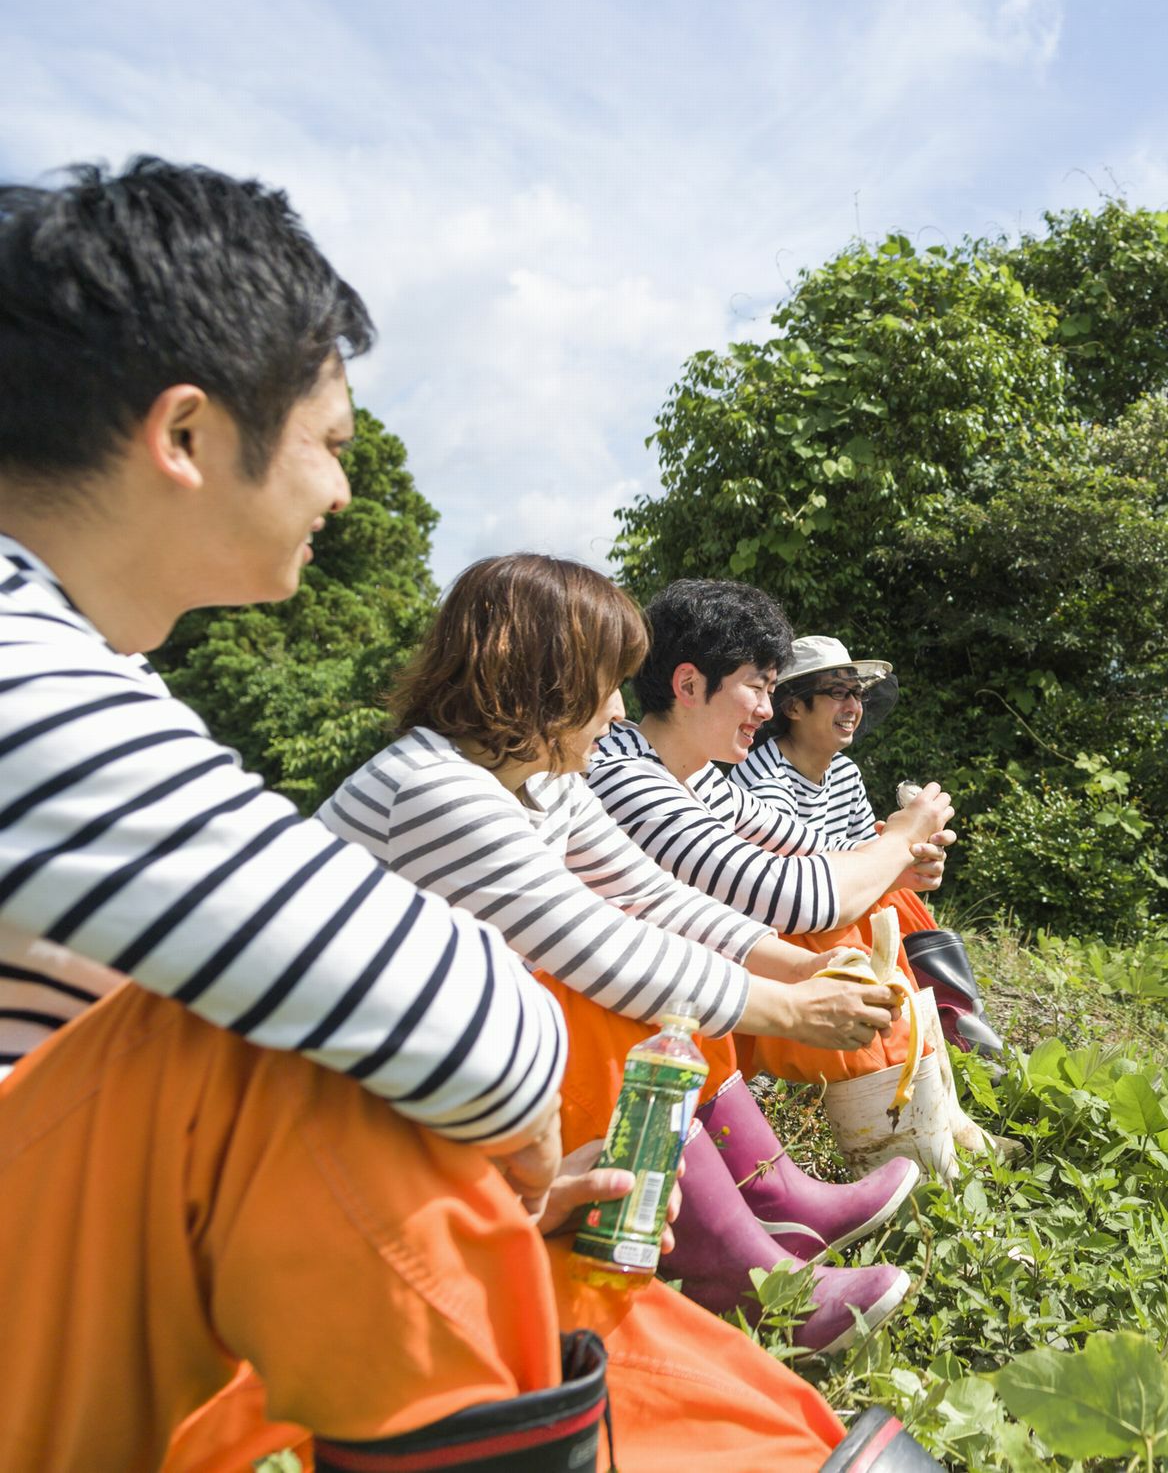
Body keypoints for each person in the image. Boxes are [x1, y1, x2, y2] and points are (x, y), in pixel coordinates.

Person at [0, 160, 940, 1472]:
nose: (341, 490)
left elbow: (638, 911)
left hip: (108, 1253)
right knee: (303, 1062)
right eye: (330, 443)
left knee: (429, 1111)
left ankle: (755, 1388)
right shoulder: (22, 658)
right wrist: (493, 1144)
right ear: (188, 435)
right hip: (92, 1253)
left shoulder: (93, 662)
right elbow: (468, 998)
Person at [319, 553, 922, 1354]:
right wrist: (790, 1010)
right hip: (342, 1112)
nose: (613, 711)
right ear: (545, 681)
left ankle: (759, 1204)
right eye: (605, 683)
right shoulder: (434, 789)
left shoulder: (540, 777)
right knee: (600, 996)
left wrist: (796, 967)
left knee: (661, 967)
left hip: (422, 1075)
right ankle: (735, 1268)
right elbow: (599, 945)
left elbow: (650, 897)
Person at [586, 580, 954, 1091]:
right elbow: (789, 898)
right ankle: (894, 1105)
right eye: (758, 688)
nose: (766, 710)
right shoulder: (624, 775)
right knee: (838, 917)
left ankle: (924, 1085)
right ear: (688, 686)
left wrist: (901, 859)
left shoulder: (692, 772)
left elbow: (801, 842)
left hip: (674, 982)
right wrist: (894, 843)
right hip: (630, 1010)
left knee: (871, 886)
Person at [732, 635, 1006, 1059]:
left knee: (895, 896)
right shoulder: (765, 781)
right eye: (838, 693)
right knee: (883, 901)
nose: (853, 707)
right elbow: (792, 882)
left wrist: (908, 853)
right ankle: (919, 1042)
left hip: (831, 910)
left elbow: (868, 861)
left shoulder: (844, 772)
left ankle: (954, 1032)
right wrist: (894, 846)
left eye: (856, 694)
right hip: (782, 929)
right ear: (793, 707)